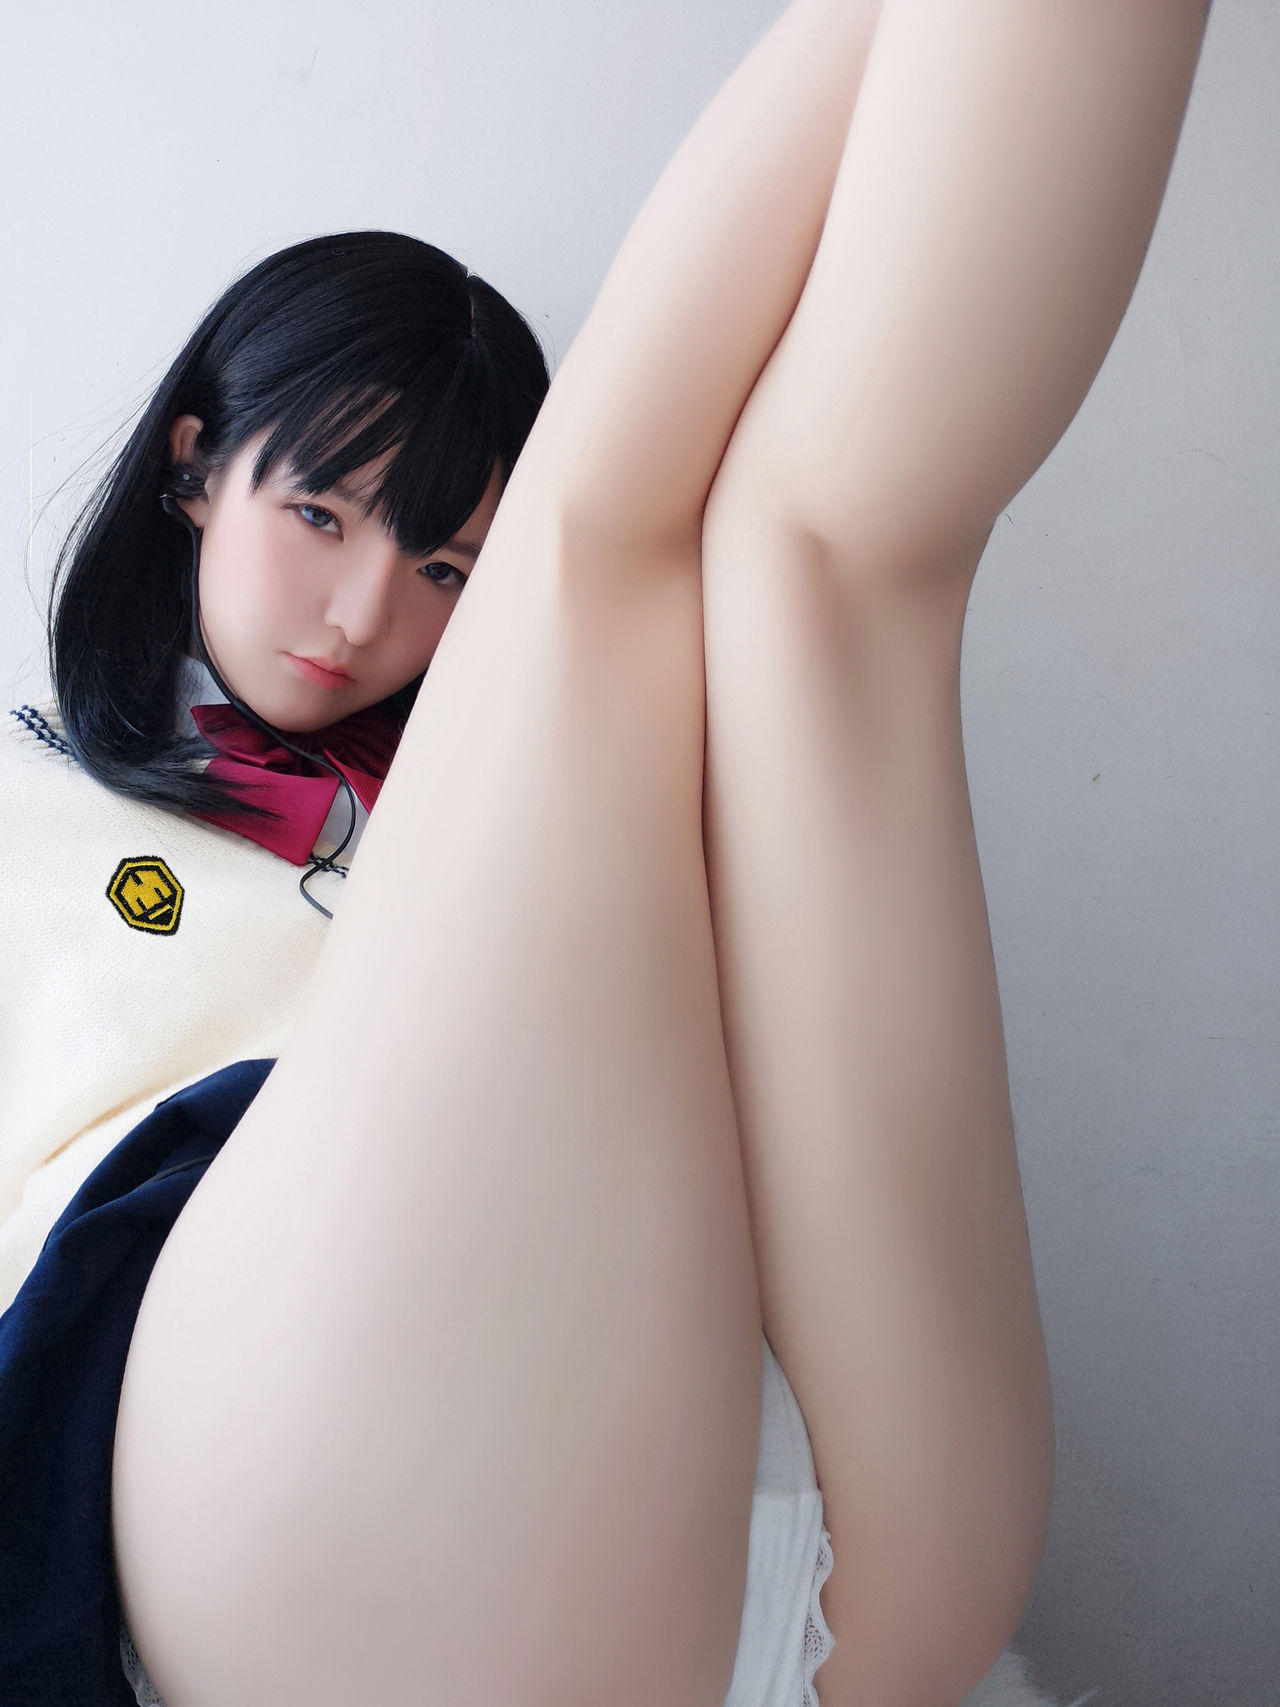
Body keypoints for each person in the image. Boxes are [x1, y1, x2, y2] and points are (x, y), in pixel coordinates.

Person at [0, 0, 1211, 1704]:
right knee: (621, 540)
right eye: (318, 515)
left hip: (794, 1517)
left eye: (445, 569)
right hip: (293, 1506)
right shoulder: (32, 808)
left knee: (810, 562)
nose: (361, 612)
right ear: (196, 470)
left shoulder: (548, 799)